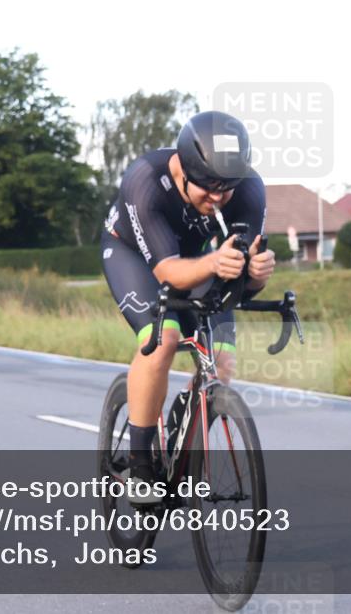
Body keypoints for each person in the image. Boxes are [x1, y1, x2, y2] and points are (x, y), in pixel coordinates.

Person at [100, 111, 276, 504]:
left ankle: (184, 423)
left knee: (223, 361)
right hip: (133, 255)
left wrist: (258, 273)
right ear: (182, 168)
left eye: (226, 188)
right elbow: (166, 273)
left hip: (196, 259)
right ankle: (141, 464)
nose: (217, 197)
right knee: (163, 339)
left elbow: (240, 283)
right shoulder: (146, 180)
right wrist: (215, 263)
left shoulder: (248, 190)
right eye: (208, 186)